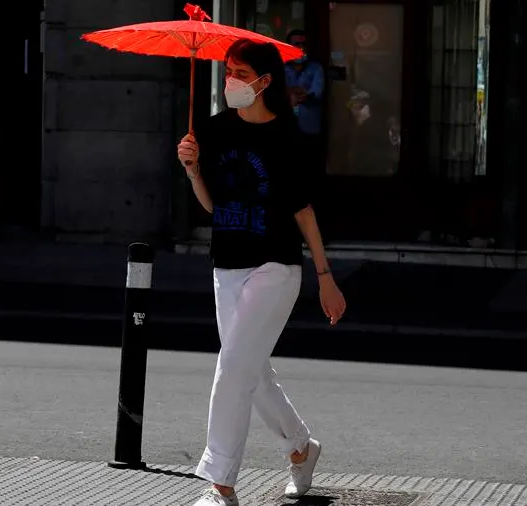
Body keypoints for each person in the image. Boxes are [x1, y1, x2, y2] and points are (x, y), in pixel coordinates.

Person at [177, 39, 347, 506]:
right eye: (227, 69)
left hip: (275, 266)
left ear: (264, 81)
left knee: (232, 369)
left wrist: (325, 278)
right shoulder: (211, 131)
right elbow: (214, 206)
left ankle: (221, 485)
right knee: (252, 372)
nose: (230, 79)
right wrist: (193, 170)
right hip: (226, 267)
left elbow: (303, 211)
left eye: (239, 71)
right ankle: (301, 447)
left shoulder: (288, 138)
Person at [284, 29, 327, 202]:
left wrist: (300, 96)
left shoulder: (316, 68)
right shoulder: (282, 68)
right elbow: (277, 92)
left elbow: (317, 92)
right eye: (296, 44)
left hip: (309, 128)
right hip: (286, 128)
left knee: (309, 170)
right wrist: (290, 94)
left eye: (303, 44)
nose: (300, 48)